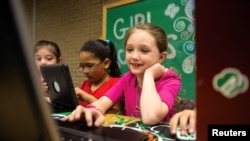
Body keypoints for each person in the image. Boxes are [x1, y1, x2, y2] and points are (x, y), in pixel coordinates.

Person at [61, 22, 182, 127]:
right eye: (130, 49)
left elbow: (150, 117)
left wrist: (149, 75)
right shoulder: (128, 78)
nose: (134, 56)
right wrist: (92, 110)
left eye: (144, 50)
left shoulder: (171, 79)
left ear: (161, 57)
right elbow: (103, 102)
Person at [75, 39, 122, 113]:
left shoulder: (117, 84)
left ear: (106, 63)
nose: (85, 71)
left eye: (89, 66)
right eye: (82, 66)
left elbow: (116, 113)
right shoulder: (85, 84)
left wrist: (88, 98)